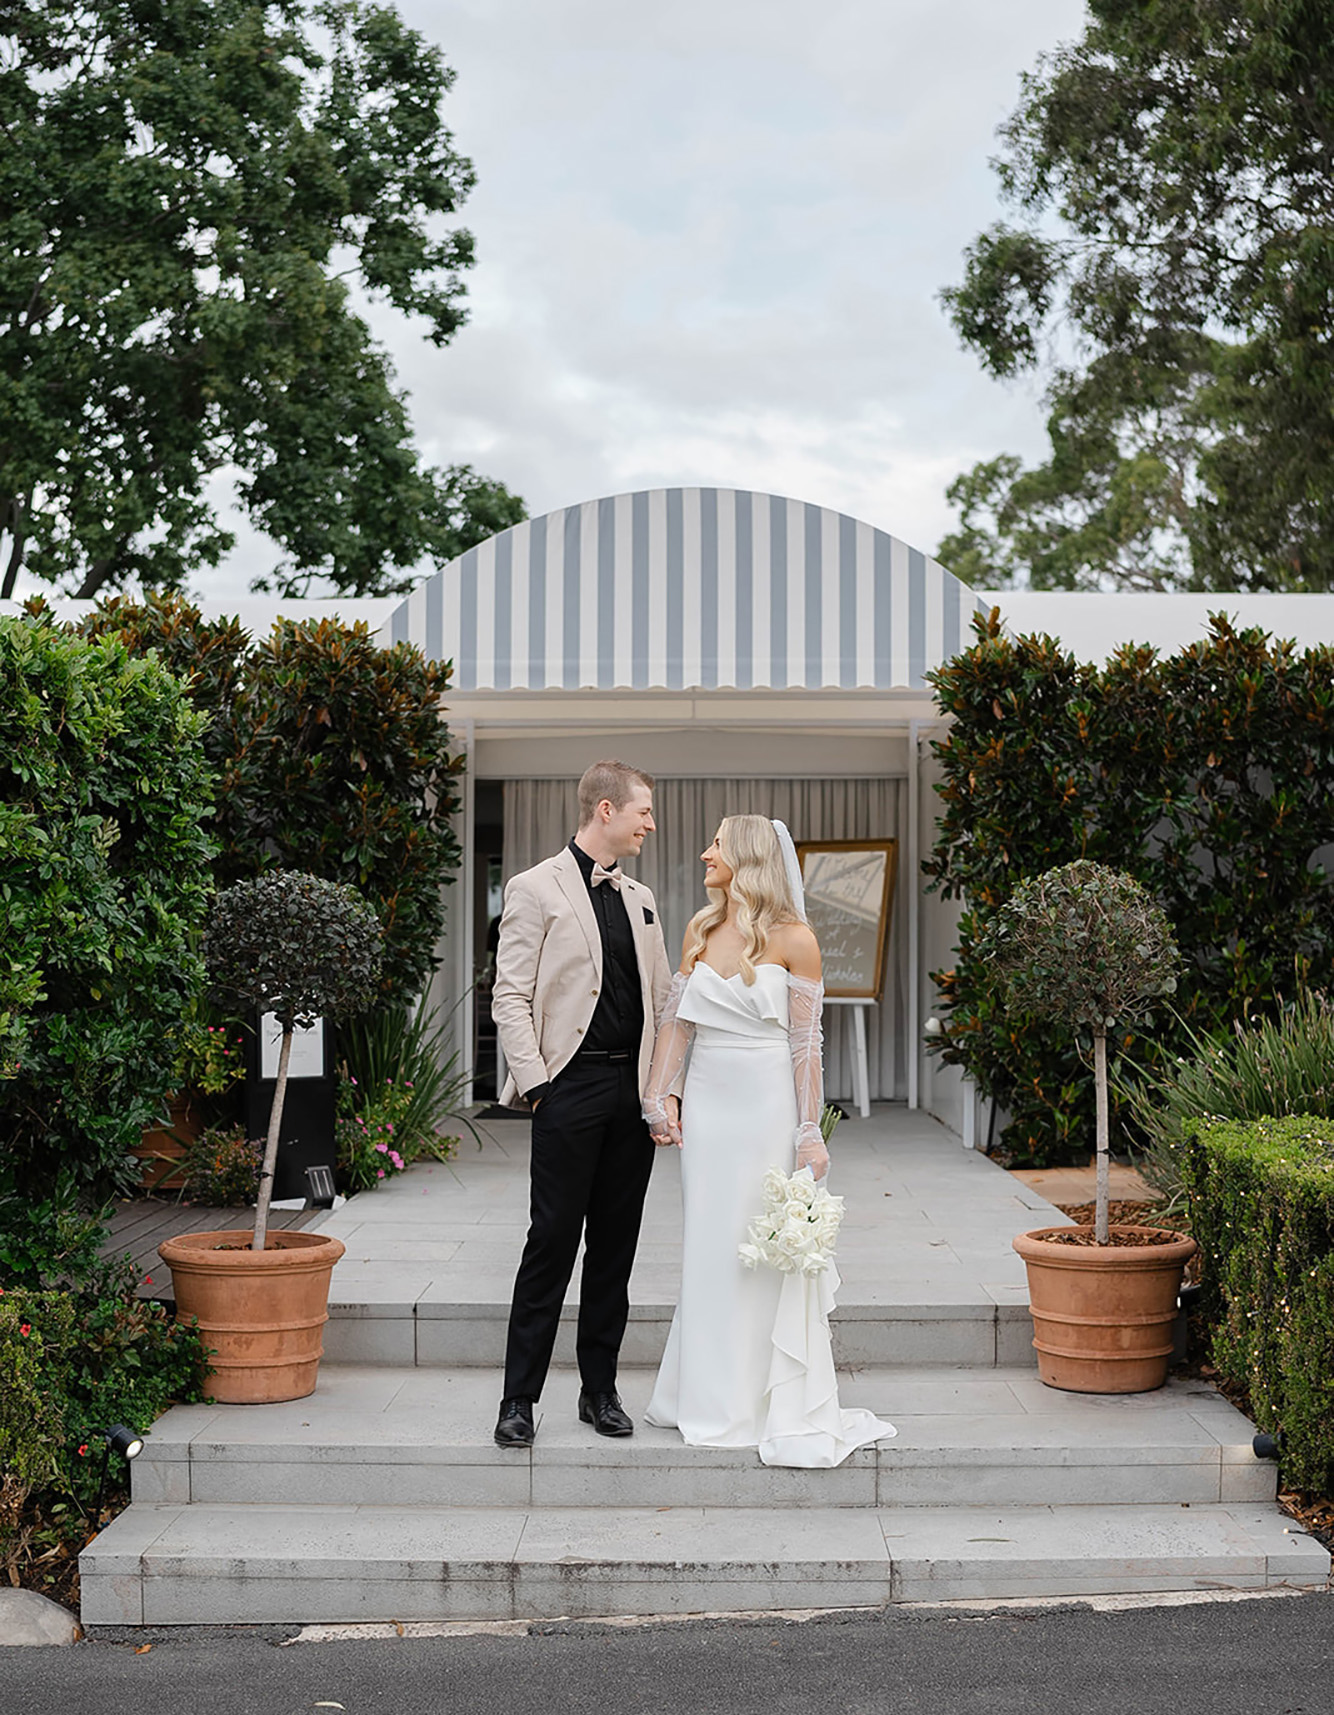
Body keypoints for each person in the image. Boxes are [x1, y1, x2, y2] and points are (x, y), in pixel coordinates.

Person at [641, 814, 894, 1468]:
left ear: (747, 856)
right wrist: (660, 1096)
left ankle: (759, 1401)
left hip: (764, 1109)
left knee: (758, 1251)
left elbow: (806, 1044)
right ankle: (706, 1392)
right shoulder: (700, 931)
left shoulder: (796, 939)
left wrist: (808, 1130)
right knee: (710, 1246)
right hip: (709, 1113)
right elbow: (676, 1028)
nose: (704, 852)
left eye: (716, 844)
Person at [491, 760, 675, 1448]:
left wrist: (661, 1092)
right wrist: (539, 1086)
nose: (649, 824)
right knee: (550, 1244)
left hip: (631, 1095)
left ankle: (599, 1390)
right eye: (643, 812)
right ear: (606, 809)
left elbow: (660, 1003)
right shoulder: (533, 887)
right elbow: (508, 994)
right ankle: (518, 1398)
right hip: (566, 1090)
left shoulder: (643, 897)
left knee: (615, 1252)